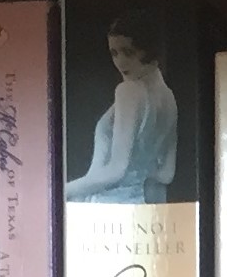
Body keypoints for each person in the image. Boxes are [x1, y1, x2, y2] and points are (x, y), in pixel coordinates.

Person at [70, 11, 178, 203]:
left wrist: (58, 190)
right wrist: (137, 176)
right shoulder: (169, 98)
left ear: (148, 51)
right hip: (139, 204)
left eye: (128, 52)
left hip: (108, 203)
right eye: (114, 53)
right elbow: (166, 174)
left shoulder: (129, 91)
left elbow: (116, 171)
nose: (120, 62)